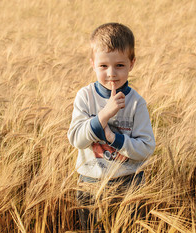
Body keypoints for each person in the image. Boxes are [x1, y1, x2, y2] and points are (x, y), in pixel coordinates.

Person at [67, 22, 155, 231]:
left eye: (120, 65)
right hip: (89, 181)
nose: (111, 73)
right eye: (103, 66)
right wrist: (104, 115)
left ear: (132, 63)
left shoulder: (136, 103)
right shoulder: (85, 97)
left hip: (128, 183)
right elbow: (76, 139)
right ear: (92, 63)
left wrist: (113, 139)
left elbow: (146, 148)